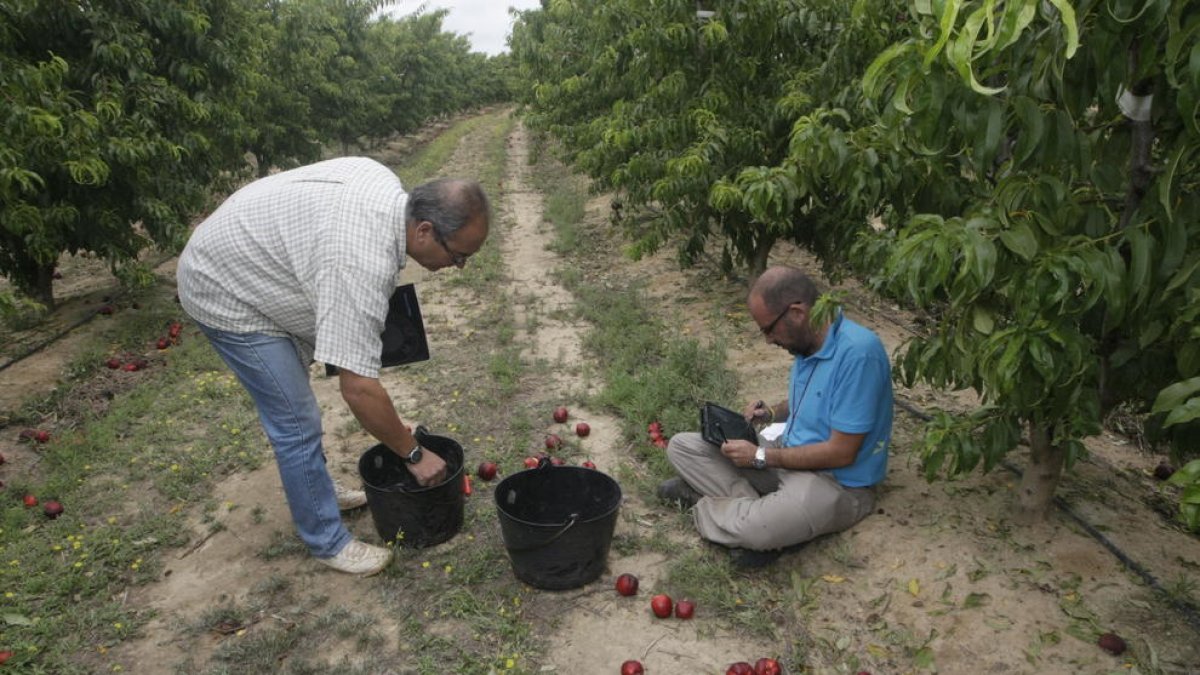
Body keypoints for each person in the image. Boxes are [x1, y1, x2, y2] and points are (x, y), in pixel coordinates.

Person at [176, 157, 490, 576]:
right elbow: (357, 387)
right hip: (223, 287)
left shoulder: (387, 194)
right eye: (459, 256)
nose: (457, 267)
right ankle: (326, 540)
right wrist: (412, 453)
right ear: (424, 230)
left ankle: (316, 489)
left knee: (298, 405)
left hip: (254, 257)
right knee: (295, 420)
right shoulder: (361, 261)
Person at [657, 266, 893, 568]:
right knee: (682, 446)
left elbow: (842, 452)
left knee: (757, 528)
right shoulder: (808, 346)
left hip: (836, 483)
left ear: (796, 312)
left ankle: (729, 513)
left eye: (768, 329)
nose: (768, 340)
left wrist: (760, 457)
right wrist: (770, 412)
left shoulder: (859, 355)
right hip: (787, 457)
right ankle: (764, 516)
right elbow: (810, 400)